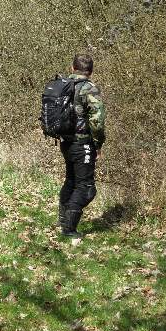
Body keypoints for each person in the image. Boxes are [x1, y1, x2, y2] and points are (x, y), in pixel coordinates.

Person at [59, 53, 106, 238]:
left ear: (72, 68)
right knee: (86, 188)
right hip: (82, 143)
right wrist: (98, 144)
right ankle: (69, 229)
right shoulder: (90, 89)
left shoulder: (63, 85)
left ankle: (63, 221)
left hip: (65, 143)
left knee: (71, 181)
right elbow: (97, 122)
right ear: (91, 71)